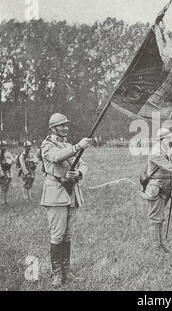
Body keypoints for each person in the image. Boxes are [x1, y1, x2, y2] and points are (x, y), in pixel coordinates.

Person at [40, 113, 91, 287]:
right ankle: (56, 274)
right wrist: (77, 146)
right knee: (57, 234)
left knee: (67, 234)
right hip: (55, 194)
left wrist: (78, 173)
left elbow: (83, 164)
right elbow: (56, 157)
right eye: (62, 126)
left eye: (66, 125)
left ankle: (66, 271)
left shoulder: (67, 145)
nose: (65, 128)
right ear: (52, 128)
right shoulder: (47, 145)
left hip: (71, 193)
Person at [0, 140, 15, 206]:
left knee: (7, 187)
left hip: (8, 171)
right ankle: (2, 201)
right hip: (1, 172)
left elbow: (13, 161)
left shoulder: (8, 154)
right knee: (2, 187)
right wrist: (1, 174)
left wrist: (8, 162)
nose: (4, 147)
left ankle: (6, 201)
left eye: (5, 145)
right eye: (3, 146)